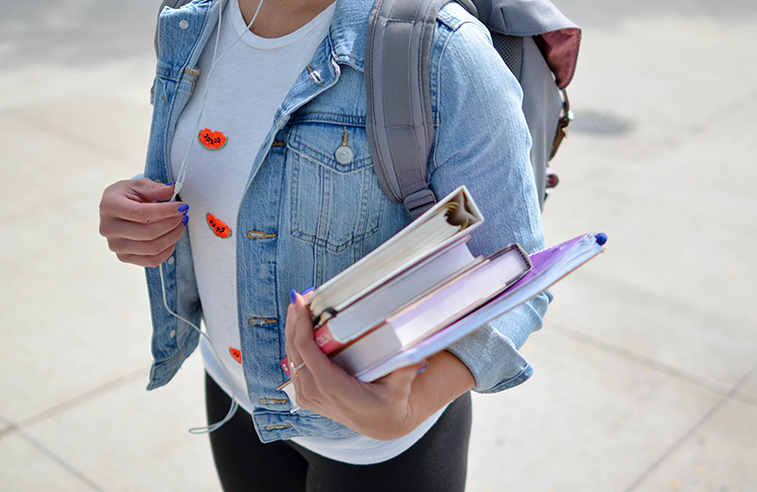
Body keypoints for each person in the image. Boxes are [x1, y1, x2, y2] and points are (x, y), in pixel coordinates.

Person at [98, 0, 552, 489]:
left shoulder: (441, 50)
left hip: (379, 448)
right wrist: (140, 213)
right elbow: (222, 170)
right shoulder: (191, 18)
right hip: (235, 396)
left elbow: (513, 272)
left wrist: (407, 410)